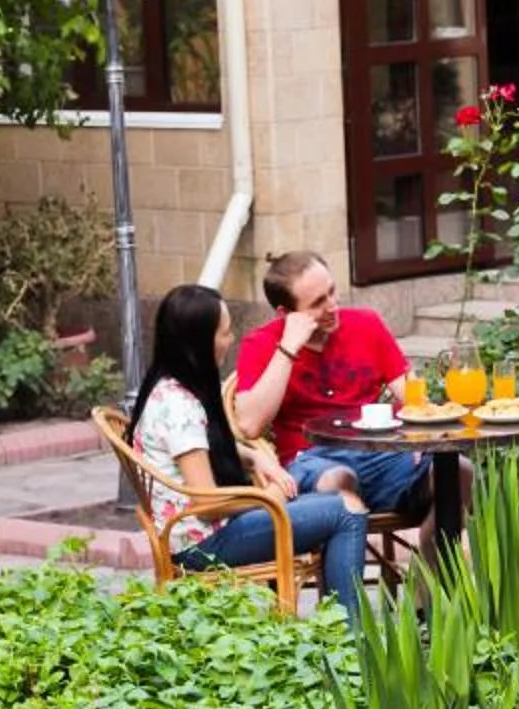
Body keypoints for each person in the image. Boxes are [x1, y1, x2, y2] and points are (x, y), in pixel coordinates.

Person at [131, 283, 371, 621]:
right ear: (199, 342)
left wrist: (253, 457)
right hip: (202, 544)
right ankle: (351, 641)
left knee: (323, 489)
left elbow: (200, 449)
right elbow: (207, 503)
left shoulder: (166, 386)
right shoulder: (179, 406)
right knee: (346, 511)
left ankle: (332, 629)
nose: (230, 340)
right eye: (225, 333)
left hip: (196, 531)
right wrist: (267, 497)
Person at [232, 249, 431, 520]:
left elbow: (413, 397)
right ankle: (347, 562)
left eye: (332, 291)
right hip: (310, 461)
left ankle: (436, 563)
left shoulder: (366, 324)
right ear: (285, 313)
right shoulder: (262, 344)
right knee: (340, 480)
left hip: (376, 453)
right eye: (317, 303)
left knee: (456, 473)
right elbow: (250, 424)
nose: (333, 305)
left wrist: (421, 434)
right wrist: (288, 348)